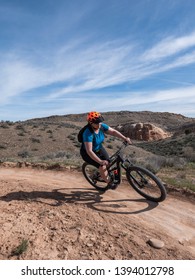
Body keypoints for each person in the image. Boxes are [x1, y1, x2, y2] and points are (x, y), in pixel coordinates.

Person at [80, 111, 132, 189]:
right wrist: (100, 162)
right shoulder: (88, 133)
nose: (99, 124)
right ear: (91, 122)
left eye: (100, 122)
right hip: (87, 153)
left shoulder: (101, 126)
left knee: (109, 162)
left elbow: (113, 132)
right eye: (97, 123)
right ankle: (110, 183)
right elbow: (89, 151)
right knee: (102, 166)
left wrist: (125, 138)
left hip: (98, 148)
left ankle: (104, 174)